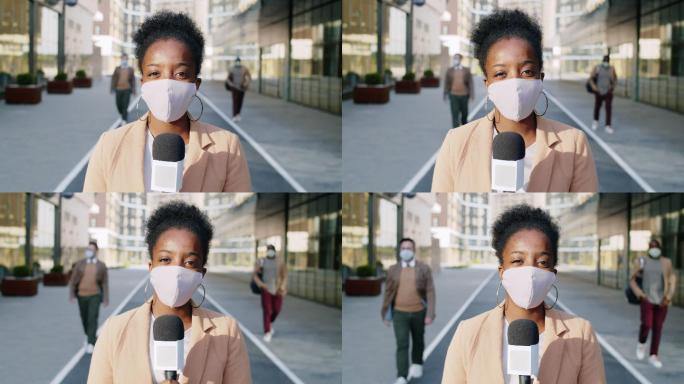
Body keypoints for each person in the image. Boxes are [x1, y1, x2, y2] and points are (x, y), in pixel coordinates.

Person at [432, 9, 598, 192]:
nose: (515, 84)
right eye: (501, 73)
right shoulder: (455, 142)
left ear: (540, 78)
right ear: (487, 83)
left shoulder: (574, 143)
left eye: (526, 72)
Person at [84, 11, 252, 192]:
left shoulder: (228, 147)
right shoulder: (108, 145)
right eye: (154, 73)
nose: (167, 85)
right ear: (143, 83)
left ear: (196, 84)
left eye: (180, 74)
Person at [88, 201, 251, 384]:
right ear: (151, 267)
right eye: (166, 259)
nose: (176, 272)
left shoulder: (227, 333)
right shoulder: (114, 331)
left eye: (189, 262)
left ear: (201, 274)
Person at [442, 205, 605, 384]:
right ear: (501, 271)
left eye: (542, 262)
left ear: (553, 274)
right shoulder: (468, 332)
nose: (530, 272)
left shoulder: (581, 333)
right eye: (518, 260)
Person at [381, 238, 436, 384]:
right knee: (402, 343)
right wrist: (385, 314)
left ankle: (417, 363)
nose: (406, 250)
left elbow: (430, 291)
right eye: (403, 248)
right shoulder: (393, 269)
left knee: (418, 340)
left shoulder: (423, 268)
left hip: (419, 312)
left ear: (414, 250)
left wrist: (430, 313)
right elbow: (388, 292)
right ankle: (401, 376)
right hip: (399, 313)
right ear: (400, 251)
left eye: (409, 248)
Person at [630, 239, 677, 369]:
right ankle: (641, 343)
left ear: (660, 248)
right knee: (647, 324)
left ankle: (653, 355)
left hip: (662, 301)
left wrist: (669, 296)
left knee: (658, 328)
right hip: (647, 299)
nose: (654, 248)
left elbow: (672, 279)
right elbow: (632, 280)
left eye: (656, 246)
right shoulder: (642, 261)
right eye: (652, 246)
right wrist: (640, 294)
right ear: (648, 248)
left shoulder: (666, 262)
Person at [69, 240, 109, 354]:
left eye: (91, 249)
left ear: (96, 251)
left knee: (92, 318)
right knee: (84, 318)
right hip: (81, 295)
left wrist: (106, 298)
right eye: (88, 249)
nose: (88, 251)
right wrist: (72, 294)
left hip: (95, 295)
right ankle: (88, 335)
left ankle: (91, 343)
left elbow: (105, 283)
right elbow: (73, 280)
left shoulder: (101, 265)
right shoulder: (80, 263)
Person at [252, 244, 287, 342]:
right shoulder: (261, 261)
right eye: (268, 250)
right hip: (266, 288)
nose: (270, 252)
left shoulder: (280, 262)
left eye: (271, 250)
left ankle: (269, 323)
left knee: (277, 310)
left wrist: (283, 286)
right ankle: (267, 331)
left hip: (278, 289)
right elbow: (255, 275)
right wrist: (261, 284)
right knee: (267, 310)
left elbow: (284, 275)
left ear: (275, 251)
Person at [444, 53, 474, 128]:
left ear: (460, 59)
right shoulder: (449, 70)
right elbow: (446, 82)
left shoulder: (466, 70)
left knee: (464, 114)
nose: (455, 60)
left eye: (457, 58)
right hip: (453, 95)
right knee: (455, 114)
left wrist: (471, 95)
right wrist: (445, 94)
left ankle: (464, 129)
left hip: (464, 95)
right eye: (454, 58)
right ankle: (455, 132)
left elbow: (470, 83)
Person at [589, 55, 617, 134]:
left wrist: (612, 88)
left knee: (608, 109)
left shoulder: (611, 68)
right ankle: (595, 122)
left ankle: (608, 126)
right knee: (597, 107)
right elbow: (591, 78)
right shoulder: (597, 68)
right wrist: (594, 87)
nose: (606, 63)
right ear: (602, 61)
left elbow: (615, 79)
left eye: (607, 61)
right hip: (598, 91)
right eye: (605, 61)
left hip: (608, 92)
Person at [111, 53, 136, 125]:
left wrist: (134, 90)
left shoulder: (130, 69)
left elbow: (133, 80)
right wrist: (112, 88)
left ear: (127, 60)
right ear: (121, 59)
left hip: (127, 90)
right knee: (118, 105)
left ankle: (124, 119)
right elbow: (113, 78)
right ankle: (123, 114)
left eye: (125, 59)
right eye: (123, 59)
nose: (124, 60)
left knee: (125, 105)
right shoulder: (117, 68)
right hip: (118, 89)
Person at [226, 57, 251, 122]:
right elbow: (228, 78)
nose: (238, 63)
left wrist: (246, 83)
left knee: (240, 101)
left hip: (242, 88)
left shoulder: (244, 68)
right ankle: (234, 115)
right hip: (235, 88)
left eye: (239, 61)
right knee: (235, 101)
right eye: (237, 61)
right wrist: (231, 84)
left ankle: (238, 114)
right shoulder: (232, 69)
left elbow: (249, 77)